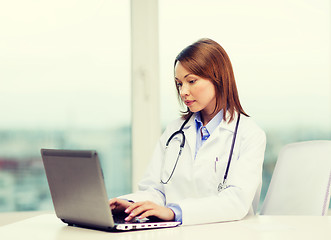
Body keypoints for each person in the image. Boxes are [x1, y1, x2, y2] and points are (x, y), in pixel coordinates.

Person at [109, 38, 266, 226]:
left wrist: (173, 212)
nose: (183, 91)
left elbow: (236, 202)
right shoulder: (174, 131)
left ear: (218, 78)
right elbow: (156, 190)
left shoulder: (249, 135)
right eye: (179, 84)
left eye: (191, 81)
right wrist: (131, 205)